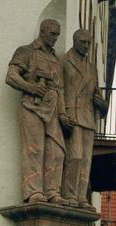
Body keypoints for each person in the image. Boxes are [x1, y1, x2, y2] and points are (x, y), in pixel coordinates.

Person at [6, 19, 70, 205]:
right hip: (31, 107)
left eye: (57, 34)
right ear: (42, 31)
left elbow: (60, 89)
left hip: (53, 111)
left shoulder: (56, 59)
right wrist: (31, 87)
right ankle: (33, 192)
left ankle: (52, 191)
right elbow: (11, 76)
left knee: (56, 152)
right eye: (52, 34)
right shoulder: (26, 51)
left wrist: (63, 113)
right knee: (34, 150)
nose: (55, 38)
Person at [61, 28, 107, 209]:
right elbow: (59, 89)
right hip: (72, 115)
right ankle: (69, 194)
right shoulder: (64, 61)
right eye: (83, 42)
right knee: (75, 157)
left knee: (86, 160)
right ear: (74, 41)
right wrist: (61, 112)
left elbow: (98, 96)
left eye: (89, 43)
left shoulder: (92, 68)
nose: (87, 46)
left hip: (88, 118)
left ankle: (81, 197)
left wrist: (103, 106)